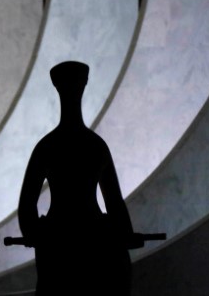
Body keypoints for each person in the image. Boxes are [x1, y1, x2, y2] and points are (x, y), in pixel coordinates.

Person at [18, 61, 133, 294]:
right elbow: (115, 203)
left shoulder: (49, 146)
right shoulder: (94, 146)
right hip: (84, 238)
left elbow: (26, 207)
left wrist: (37, 234)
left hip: (66, 239)